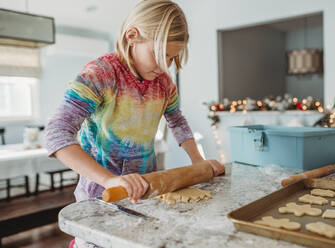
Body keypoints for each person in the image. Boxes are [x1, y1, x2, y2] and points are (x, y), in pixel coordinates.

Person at [46, 0, 224, 233]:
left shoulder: (164, 83)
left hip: (147, 191)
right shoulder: (100, 74)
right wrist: (110, 180)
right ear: (132, 36)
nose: (165, 65)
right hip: (101, 196)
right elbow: (56, 133)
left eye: (171, 58)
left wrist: (198, 161)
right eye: (158, 54)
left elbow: (177, 120)